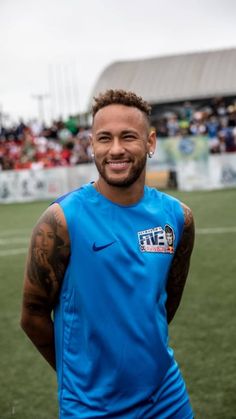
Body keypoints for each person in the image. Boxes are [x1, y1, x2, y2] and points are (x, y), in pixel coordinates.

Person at [21, 89, 195, 418]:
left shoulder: (178, 218)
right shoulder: (61, 220)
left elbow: (165, 303)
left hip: (167, 397)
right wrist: (77, 377)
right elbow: (32, 315)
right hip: (91, 406)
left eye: (128, 136)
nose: (115, 149)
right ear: (92, 144)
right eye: (104, 138)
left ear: (151, 142)